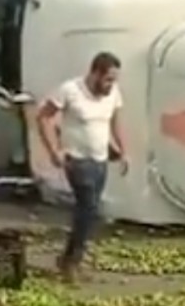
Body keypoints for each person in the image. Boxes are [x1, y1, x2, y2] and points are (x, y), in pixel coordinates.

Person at [36, 51, 127, 283]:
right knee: (89, 206)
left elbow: (114, 121)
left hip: (100, 159)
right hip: (76, 159)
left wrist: (122, 150)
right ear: (95, 73)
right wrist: (54, 150)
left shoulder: (113, 93)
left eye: (113, 80)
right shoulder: (70, 90)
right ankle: (71, 262)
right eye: (107, 79)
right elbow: (44, 117)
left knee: (90, 210)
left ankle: (70, 257)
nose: (110, 85)